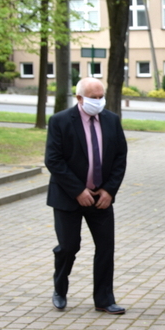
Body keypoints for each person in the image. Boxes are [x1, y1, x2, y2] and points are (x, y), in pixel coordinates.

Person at [45, 77, 128, 314]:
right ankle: (60, 289)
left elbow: (120, 157)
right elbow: (53, 160)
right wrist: (77, 191)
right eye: (94, 98)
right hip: (68, 197)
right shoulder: (60, 121)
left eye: (102, 97)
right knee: (69, 246)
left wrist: (109, 190)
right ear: (80, 98)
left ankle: (104, 299)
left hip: (101, 196)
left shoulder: (111, 121)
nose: (99, 102)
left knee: (105, 248)